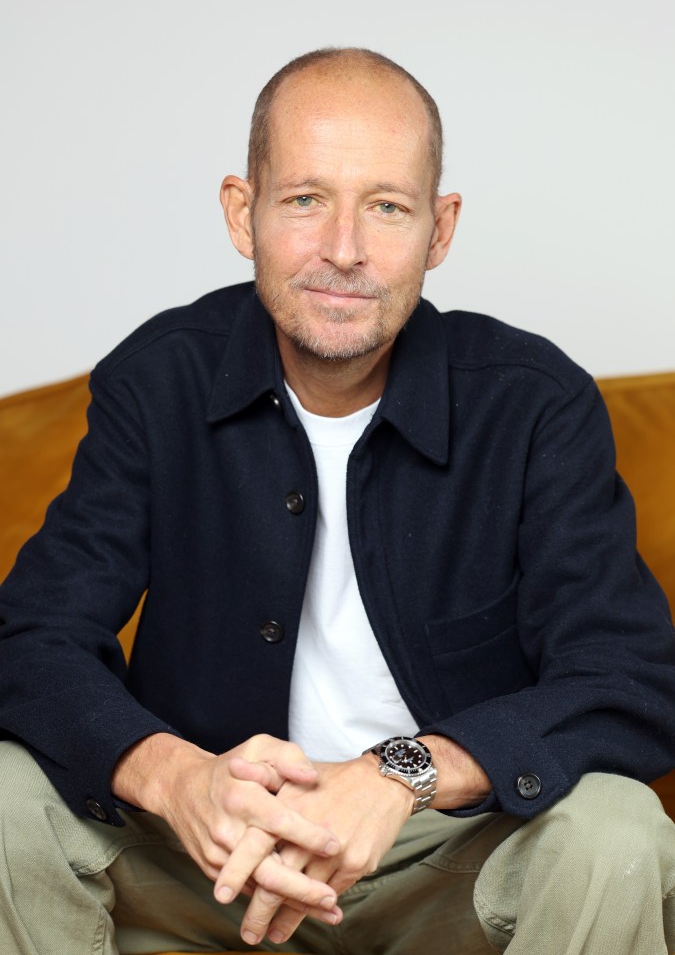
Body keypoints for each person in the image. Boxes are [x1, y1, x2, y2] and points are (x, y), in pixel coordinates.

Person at [1, 47, 675, 955]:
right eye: (306, 199)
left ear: (439, 230)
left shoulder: (534, 402)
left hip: (445, 860)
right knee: (5, 798)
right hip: (203, 856)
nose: (344, 250)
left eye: (387, 207)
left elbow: (629, 680)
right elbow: (30, 638)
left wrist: (401, 773)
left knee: (615, 831)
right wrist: (175, 779)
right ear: (243, 213)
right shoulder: (156, 378)